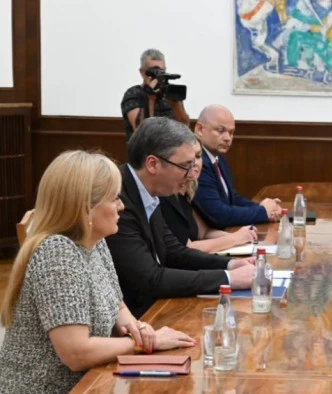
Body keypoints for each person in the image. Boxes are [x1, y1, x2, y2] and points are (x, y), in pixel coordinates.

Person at [0, 151, 195, 394]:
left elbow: (116, 302)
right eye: (114, 198)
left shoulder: (95, 241)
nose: (122, 206)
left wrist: (138, 328)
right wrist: (144, 343)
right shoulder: (57, 253)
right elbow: (76, 353)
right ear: (85, 207)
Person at [105, 117, 255, 318]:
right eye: (185, 166)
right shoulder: (118, 200)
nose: (192, 175)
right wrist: (229, 278)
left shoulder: (150, 190)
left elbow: (174, 252)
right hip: (135, 318)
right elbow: (150, 279)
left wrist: (229, 265)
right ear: (153, 164)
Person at [159, 140, 259, 252]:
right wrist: (235, 238)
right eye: (188, 160)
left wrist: (243, 236)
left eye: (198, 156)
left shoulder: (190, 188)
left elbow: (204, 233)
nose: (195, 164)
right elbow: (186, 248)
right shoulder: (166, 194)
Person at [192, 105, 282, 228]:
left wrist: (264, 208)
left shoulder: (217, 157)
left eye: (231, 132)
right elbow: (219, 214)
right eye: (220, 130)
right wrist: (263, 211)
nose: (227, 138)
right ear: (200, 129)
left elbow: (232, 198)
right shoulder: (198, 163)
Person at [121, 49, 190, 138]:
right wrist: (150, 98)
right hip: (146, 145)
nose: (158, 75)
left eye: (161, 71)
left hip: (171, 144)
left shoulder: (169, 92)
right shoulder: (133, 94)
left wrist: (175, 104)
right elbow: (140, 130)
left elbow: (184, 126)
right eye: (153, 71)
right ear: (142, 72)